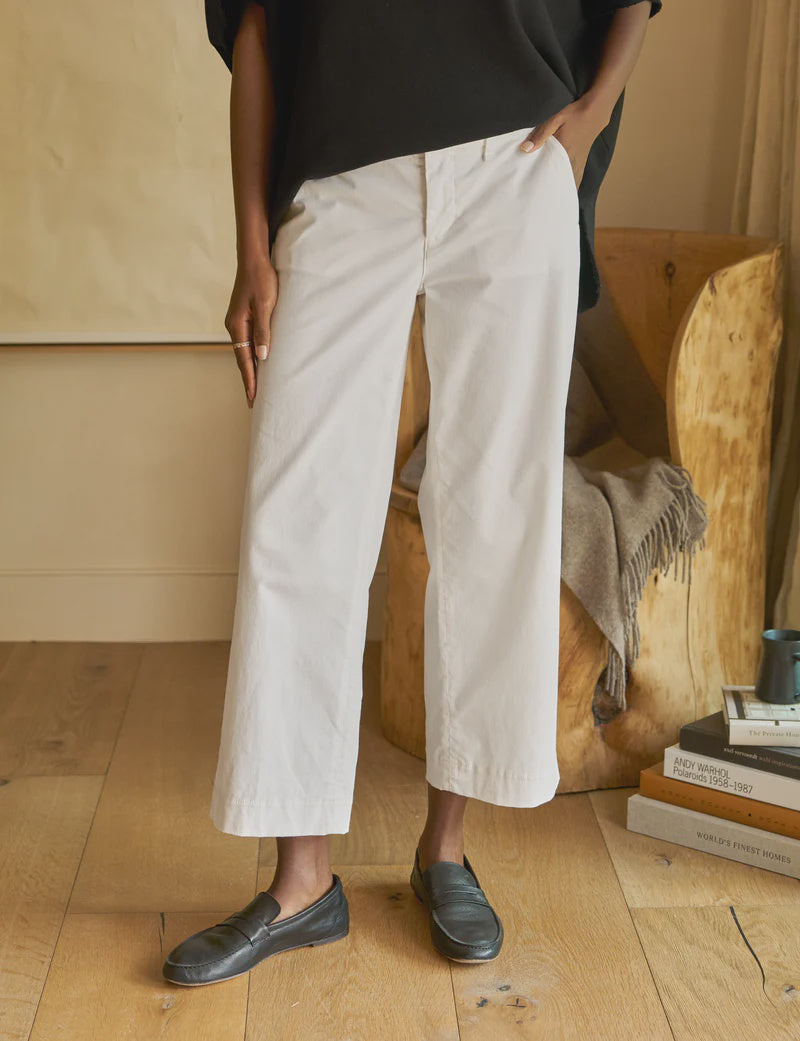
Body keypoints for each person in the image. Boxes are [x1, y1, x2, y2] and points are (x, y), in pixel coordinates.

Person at [163, 0, 662, 987]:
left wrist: (588, 121)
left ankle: (445, 849)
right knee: (294, 522)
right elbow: (256, 22)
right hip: (347, 178)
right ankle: (300, 883)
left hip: (512, 170)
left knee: (492, 520)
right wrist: (253, 246)